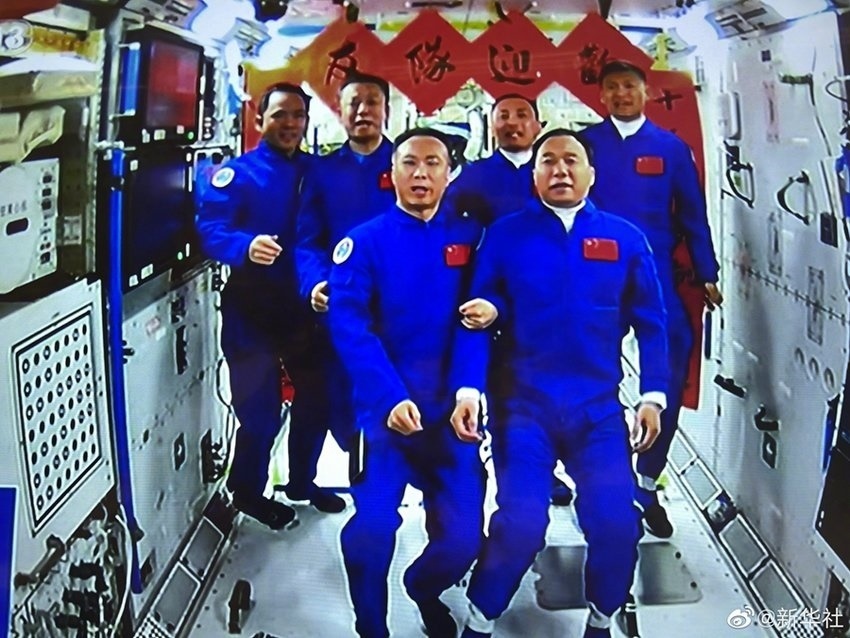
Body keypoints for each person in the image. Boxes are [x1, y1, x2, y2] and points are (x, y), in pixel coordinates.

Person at [451, 129, 669, 638]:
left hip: (597, 411)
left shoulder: (625, 239)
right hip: (522, 408)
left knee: (617, 523)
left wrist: (653, 397)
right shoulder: (504, 236)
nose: (560, 170)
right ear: (534, 174)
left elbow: (653, 324)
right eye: (548, 161)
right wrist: (468, 389)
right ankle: (480, 618)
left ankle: (602, 618)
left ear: (591, 173)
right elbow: (475, 317)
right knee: (521, 525)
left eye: (571, 160)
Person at [328, 128, 486, 638]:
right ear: (391, 173)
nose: (421, 174)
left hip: (452, 413)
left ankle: (423, 587)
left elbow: (477, 324)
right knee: (372, 530)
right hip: (384, 414)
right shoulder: (362, 243)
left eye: (433, 163)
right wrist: (389, 397)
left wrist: (468, 390)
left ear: (450, 173)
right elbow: (350, 328)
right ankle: (371, 626)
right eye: (410, 163)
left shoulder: (473, 238)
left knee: (464, 541)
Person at [581, 59, 723, 537]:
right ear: (602, 95)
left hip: (654, 272)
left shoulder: (671, 148)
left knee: (670, 367)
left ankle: (646, 481)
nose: (621, 94)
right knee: (588, 372)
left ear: (645, 92)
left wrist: (706, 271)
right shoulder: (585, 145)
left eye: (630, 86)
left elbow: (693, 215)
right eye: (613, 87)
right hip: (593, 273)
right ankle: (604, 479)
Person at [195, 82, 324, 528]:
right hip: (252, 310)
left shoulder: (317, 171)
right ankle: (247, 492)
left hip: (305, 308)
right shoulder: (237, 175)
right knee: (259, 412)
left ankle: (302, 482)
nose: (290, 124)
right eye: (279, 115)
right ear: (259, 120)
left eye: (297, 115)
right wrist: (245, 246)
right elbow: (210, 229)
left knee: (316, 401)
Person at [291, 72, 396, 508]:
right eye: (354, 103)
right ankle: (304, 481)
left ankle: (377, 494)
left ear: (386, 110)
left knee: (385, 395)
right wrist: (315, 282)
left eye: (372, 102)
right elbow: (306, 239)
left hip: (394, 309)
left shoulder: (407, 163)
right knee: (327, 397)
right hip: (338, 306)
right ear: (341, 111)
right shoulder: (322, 171)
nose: (363, 111)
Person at [449, 93, 542, 224]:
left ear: (537, 127)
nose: (512, 123)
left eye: (521, 115)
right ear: (492, 129)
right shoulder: (473, 174)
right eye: (504, 116)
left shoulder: (552, 172)